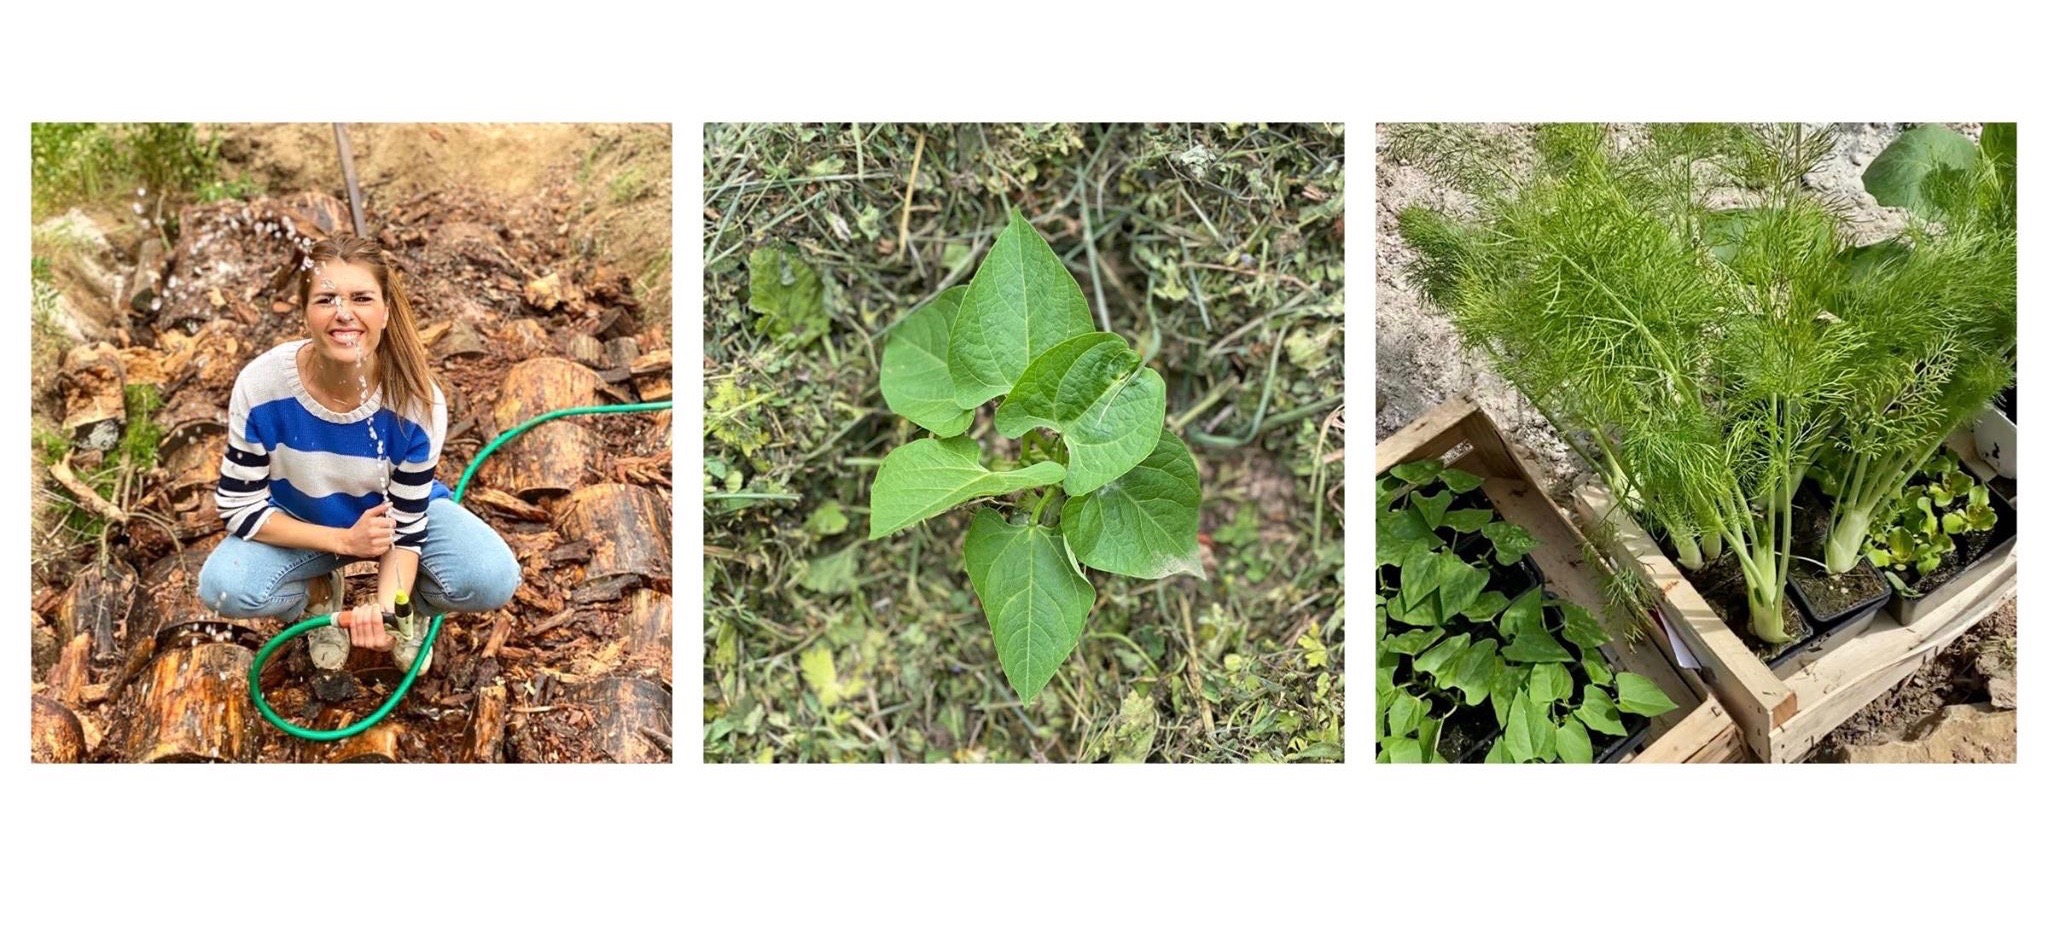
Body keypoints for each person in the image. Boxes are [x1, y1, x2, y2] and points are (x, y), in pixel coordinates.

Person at [197, 233, 520, 673]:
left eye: (361, 298)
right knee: (224, 587)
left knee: (491, 576)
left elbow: (406, 527)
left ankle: (415, 611)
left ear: (385, 311)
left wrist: (391, 612)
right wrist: (342, 542)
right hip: (303, 521)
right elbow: (237, 505)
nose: (344, 313)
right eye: (326, 299)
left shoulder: (416, 402)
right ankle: (316, 602)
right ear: (305, 313)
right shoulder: (262, 385)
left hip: (396, 524)